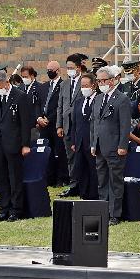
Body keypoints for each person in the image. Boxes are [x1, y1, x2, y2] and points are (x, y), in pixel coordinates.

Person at [90, 65, 132, 226]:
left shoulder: (122, 99)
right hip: (100, 147)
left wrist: (122, 145)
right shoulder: (98, 98)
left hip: (115, 147)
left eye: (104, 80)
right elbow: (94, 124)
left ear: (112, 81)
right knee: (102, 180)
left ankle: (115, 214)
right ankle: (103, 210)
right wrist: (93, 143)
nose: (101, 83)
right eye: (99, 81)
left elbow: (125, 125)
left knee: (115, 181)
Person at [0, 69, 33, 221]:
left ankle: (16, 209)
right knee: (1, 178)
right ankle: (4, 208)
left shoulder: (20, 97)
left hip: (14, 143)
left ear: (6, 83)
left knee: (15, 178)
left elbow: (26, 123)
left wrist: (25, 144)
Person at [57, 54, 86, 196]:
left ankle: (83, 184)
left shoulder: (85, 83)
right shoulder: (64, 84)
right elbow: (60, 106)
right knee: (70, 157)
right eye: (67, 68)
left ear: (79, 68)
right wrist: (59, 125)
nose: (69, 70)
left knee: (82, 156)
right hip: (67, 127)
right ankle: (73, 184)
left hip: (80, 127)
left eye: (72, 68)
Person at [69, 73, 99, 200]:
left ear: (94, 85)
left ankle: (94, 196)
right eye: (82, 86)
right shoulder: (79, 102)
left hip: (93, 142)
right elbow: (74, 123)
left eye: (86, 85)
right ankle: (84, 195)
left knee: (94, 171)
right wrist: (73, 141)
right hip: (80, 142)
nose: (84, 88)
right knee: (81, 170)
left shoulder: (99, 100)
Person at [37, 60, 64, 184]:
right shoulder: (43, 87)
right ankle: (49, 178)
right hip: (43, 125)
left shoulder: (63, 86)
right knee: (45, 151)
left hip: (56, 125)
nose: (49, 72)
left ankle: (60, 178)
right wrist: (39, 118)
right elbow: (38, 105)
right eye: (47, 70)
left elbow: (61, 106)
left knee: (58, 152)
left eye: (51, 70)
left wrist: (51, 118)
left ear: (58, 71)